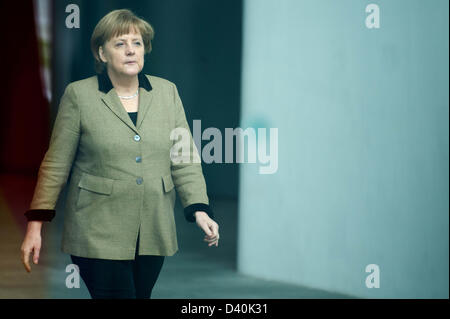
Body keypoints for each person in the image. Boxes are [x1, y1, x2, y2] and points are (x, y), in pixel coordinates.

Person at [20, 9, 219, 299]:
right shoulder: (79, 95)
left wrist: (199, 208)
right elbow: (56, 163)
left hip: (153, 228)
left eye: (137, 43)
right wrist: (35, 225)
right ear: (101, 53)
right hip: (97, 230)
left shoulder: (166, 92)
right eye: (119, 43)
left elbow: (184, 156)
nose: (130, 50)